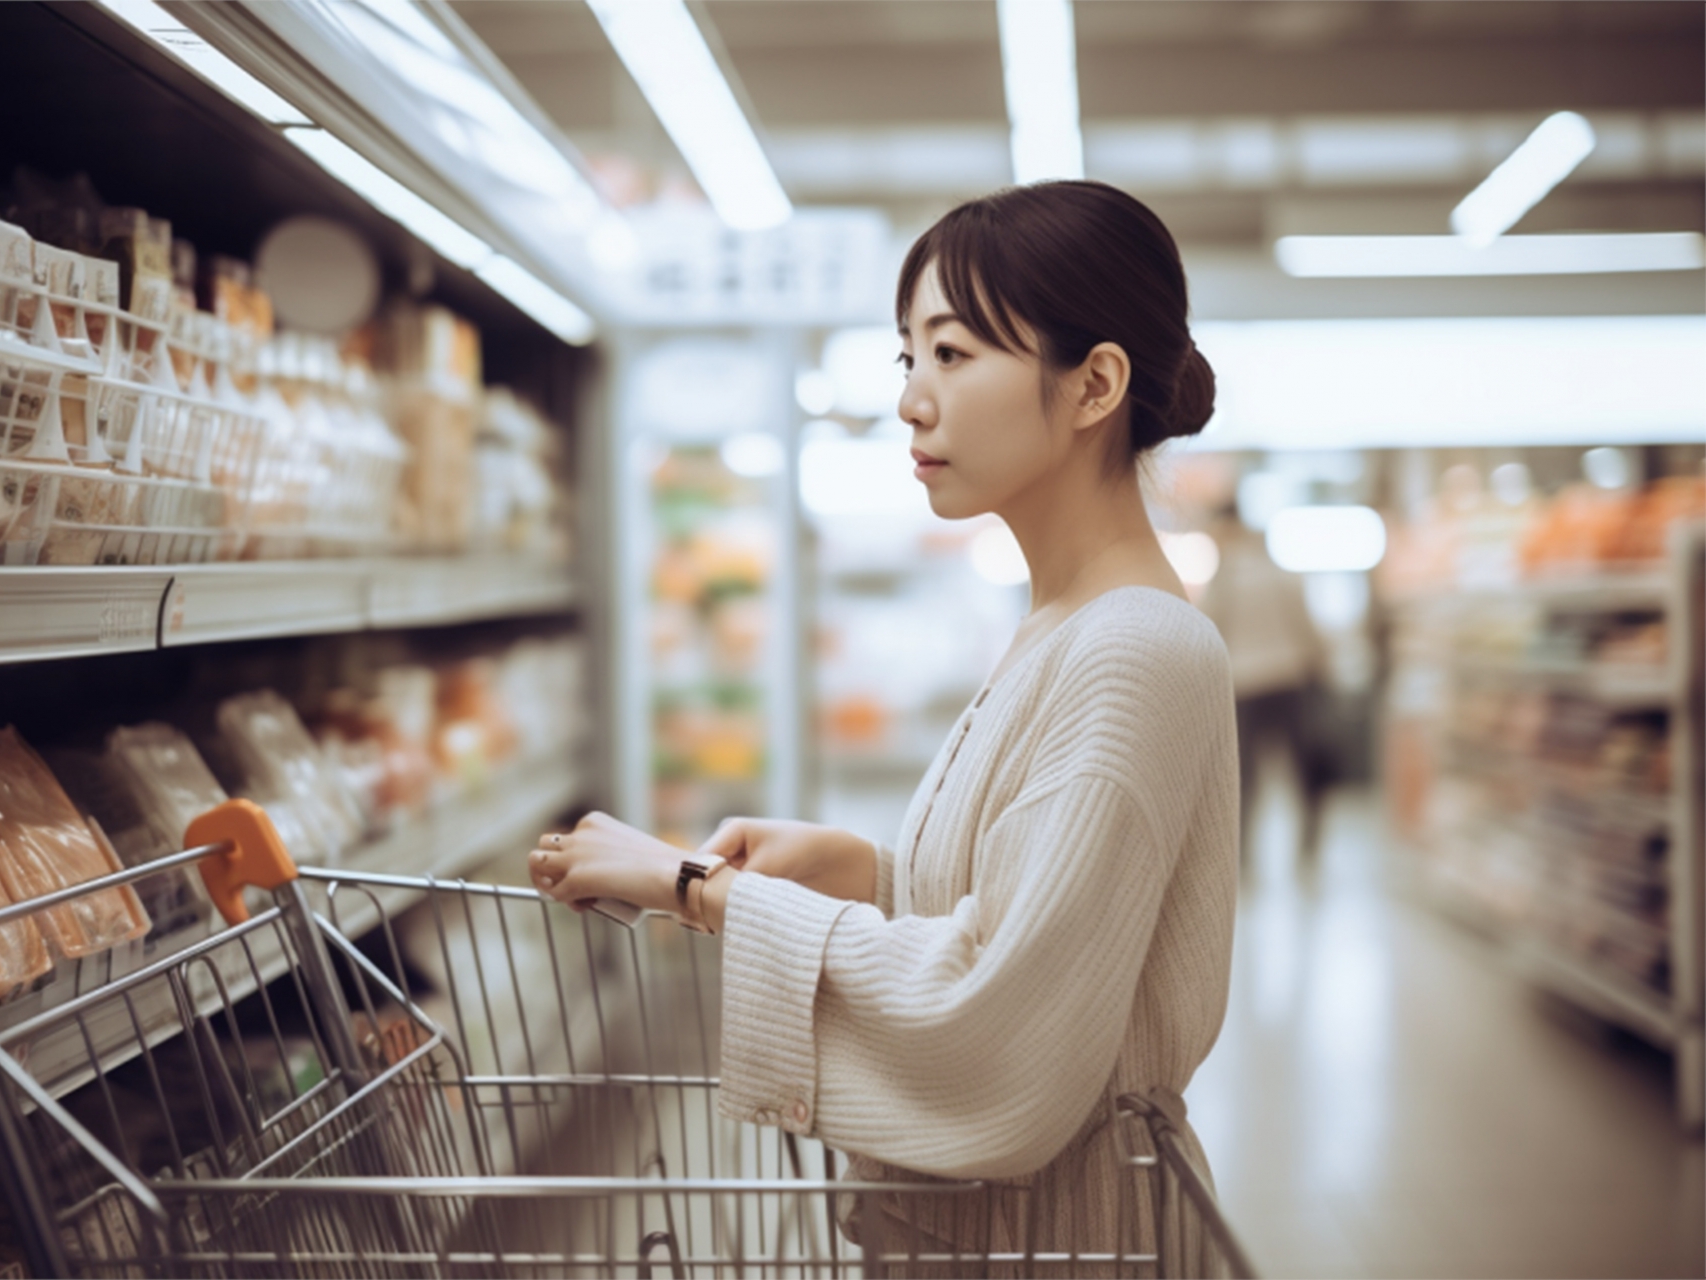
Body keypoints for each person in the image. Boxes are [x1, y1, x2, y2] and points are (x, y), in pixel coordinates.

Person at [530, 181, 1237, 1276]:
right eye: (906, 359)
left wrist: (693, 886)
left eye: (952, 355)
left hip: (1060, 1243)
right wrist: (870, 868)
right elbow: (1047, 913)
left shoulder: (1132, 647)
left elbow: (1005, 1012)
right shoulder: (1064, 621)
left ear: (1095, 382)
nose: (912, 401)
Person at [1202, 502, 1330, 863]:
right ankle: (1308, 842)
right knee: (1300, 766)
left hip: (1243, 685)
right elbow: (1308, 628)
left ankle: (1243, 851)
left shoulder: (1224, 581)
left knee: (1244, 775)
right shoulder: (1279, 573)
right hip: (1289, 678)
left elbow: (1207, 629)